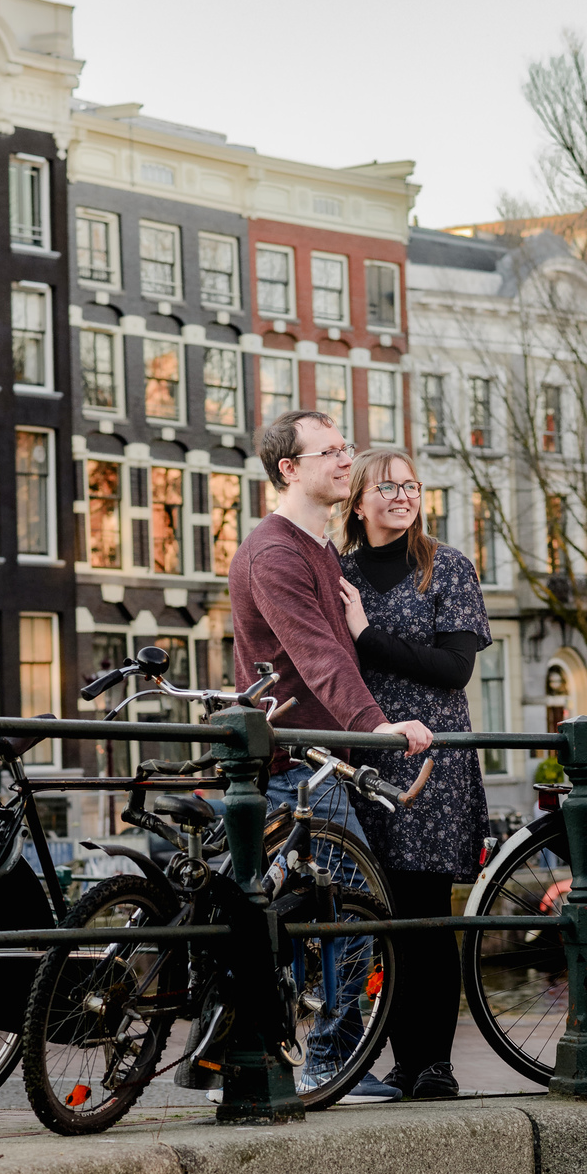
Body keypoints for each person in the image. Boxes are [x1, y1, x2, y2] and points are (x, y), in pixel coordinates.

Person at [229, 410, 433, 1102]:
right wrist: (380, 725)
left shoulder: (315, 549)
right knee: (349, 914)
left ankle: (245, 1054)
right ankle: (329, 1063)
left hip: (314, 757)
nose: (347, 461)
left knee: (273, 912)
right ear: (289, 468)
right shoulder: (277, 553)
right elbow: (315, 658)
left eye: (346, 448)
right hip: (296, 763)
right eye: (330, 452)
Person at [338, 448, 492, 1100]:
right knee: (382, 914)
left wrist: (366, 635)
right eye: (387, 486)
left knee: (427, 913)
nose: (402, 496)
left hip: (432, 763)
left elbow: (454, 669)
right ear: (357, 500)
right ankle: (401, 1062)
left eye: (411, 486)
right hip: (365, 761)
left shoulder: (447, 568)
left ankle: (436, 1063)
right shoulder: (337, 573)